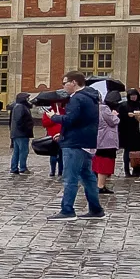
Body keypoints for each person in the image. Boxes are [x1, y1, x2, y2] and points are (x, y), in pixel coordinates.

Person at [51, 71, 106, 220]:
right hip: (87, 141)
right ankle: (96, 210)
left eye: (65, 83)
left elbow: (70, 119)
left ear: (73, 82)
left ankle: (67, 210)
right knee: (87, 176)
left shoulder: (77, 98)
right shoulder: (92, 98)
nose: (63, 86)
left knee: (70, 177)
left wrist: (54, 117)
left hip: (74, 143)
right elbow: (81, 120)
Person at [7, 93, 34, 176]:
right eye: (27, 98)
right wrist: (26, 128)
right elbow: (19, 121)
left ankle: (14, 168)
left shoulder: (20, 106)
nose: (28, 100)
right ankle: (22, 168)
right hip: (21, 133)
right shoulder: (20, 107)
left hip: (18, 133)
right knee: (23, 151)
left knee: (17, 151)